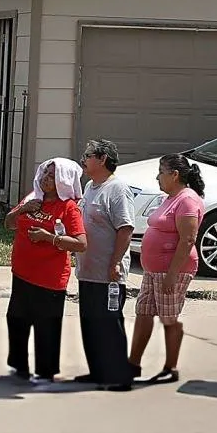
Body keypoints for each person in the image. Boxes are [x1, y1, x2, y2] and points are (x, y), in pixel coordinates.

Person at [0, 158, 85, 388]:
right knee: (16, 319)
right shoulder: (32, 198)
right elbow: (8, 224)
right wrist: (22, 209)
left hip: (49, 279)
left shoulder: (68, 207)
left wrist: (49, 238)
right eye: (45, 174)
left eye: (52, 176)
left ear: (63, 181)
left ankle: (45, 373)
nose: (46, 179)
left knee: (45, 326)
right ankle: (19, 367)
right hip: (22, 273)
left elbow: (80, 243)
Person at [130, 154, 203, 385]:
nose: (157, 177)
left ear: (175, 175)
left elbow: (188, 239)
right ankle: (132, 363)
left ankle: (170, 368)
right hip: (153, 270)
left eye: (161, 172)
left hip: (172, 270)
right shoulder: (169, 198)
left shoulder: (187, 200)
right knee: (143, 312)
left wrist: (172, 274)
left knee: (169, 318)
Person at [74, 139, 135, 392]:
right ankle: (97, 371)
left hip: (108, 271)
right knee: (90, 322)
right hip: (87, 270)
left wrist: (115, 262)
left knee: (109, 324)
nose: (84, 160)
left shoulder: (117, 189)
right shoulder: (90, 186)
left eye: (88, 155)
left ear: (102, 159)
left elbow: (126, 229)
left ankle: (119, 375)